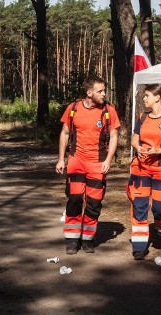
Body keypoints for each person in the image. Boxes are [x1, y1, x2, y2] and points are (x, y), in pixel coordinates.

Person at [55, 76, 120, 255]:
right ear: (89, 92)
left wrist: (108, 160)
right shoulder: (73, 108)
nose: (104, 94)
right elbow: (65, 133)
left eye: (104, 90)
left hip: (98, 163)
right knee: (74, 199)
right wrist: (61, 159)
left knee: (94, 203)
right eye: (100, 91)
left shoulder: (109, 110)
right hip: (76, 161)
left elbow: (114, 137)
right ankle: (72, 239)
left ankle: (87, 239)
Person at [128, 84, 161, 259]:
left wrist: (158, 151)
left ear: (157, 98)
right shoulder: (142, 117)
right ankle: (139, 247)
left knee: (160, 208)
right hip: (141, 168)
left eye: (147, 96)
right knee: (139, 206)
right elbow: (134, 140)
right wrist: (138, 148)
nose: (144, 99)